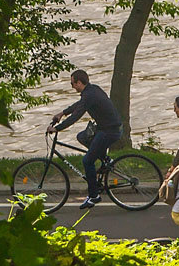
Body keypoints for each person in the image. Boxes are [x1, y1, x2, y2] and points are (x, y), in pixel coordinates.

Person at [46, 69, 123, 209]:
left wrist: (57, 128)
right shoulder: (92, 90)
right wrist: (62, 113)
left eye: (72, 84)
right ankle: (106, 160)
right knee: (82, 136)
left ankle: (94, 196)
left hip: (109, 131)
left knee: (87, 161)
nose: (72, 86)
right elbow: (79, 105)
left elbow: (76, 116)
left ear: (79, 83)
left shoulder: (89, 95)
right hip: (107, 127)